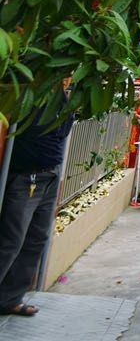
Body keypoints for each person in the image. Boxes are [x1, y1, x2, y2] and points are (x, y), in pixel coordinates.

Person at [0, 78, 74, 318]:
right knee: (11, 241)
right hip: (26, 176)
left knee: (36, 240)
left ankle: (10, 299)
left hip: (49, 174)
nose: (67, 79)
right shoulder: (29, 96)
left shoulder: (63, 99)